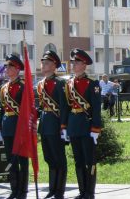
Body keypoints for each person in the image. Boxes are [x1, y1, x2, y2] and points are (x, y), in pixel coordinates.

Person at [62, 49, 101, 199]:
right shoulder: (69, 84)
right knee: (78, 160)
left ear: (84, 65)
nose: (73, 64)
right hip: (73, 125)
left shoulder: (92, 84)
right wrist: (64, 127)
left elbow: (96, 107)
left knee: (89, 160)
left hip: (87, 126)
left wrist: (96, 128)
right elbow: (66, 107)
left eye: (77, 62)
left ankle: (89, 192)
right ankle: (82, 190)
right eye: (72, 62)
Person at [0, 55, 29, 199]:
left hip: (19, 128)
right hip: (7, 128)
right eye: (7, 66)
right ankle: (14, 189)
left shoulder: (23, 87)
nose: (7, 69)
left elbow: (28, 111)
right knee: (11, 160)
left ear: (17, 69)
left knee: (22, 159)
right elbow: (3, 109)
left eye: (10, 66)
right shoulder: (4, 88)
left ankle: (23, 191)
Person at [38, 50, 68, 199]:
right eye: (43, 62)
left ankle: (59, 190)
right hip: (44, 125)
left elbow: (63, 106)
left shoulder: (60, 83)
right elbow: (40, 106)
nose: (43, 64)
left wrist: (63, 127)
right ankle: (52, 188)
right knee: (49, 158)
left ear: (54, 65)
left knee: (58, 158)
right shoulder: (41, 84)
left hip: (56, 125)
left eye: (47, 62)